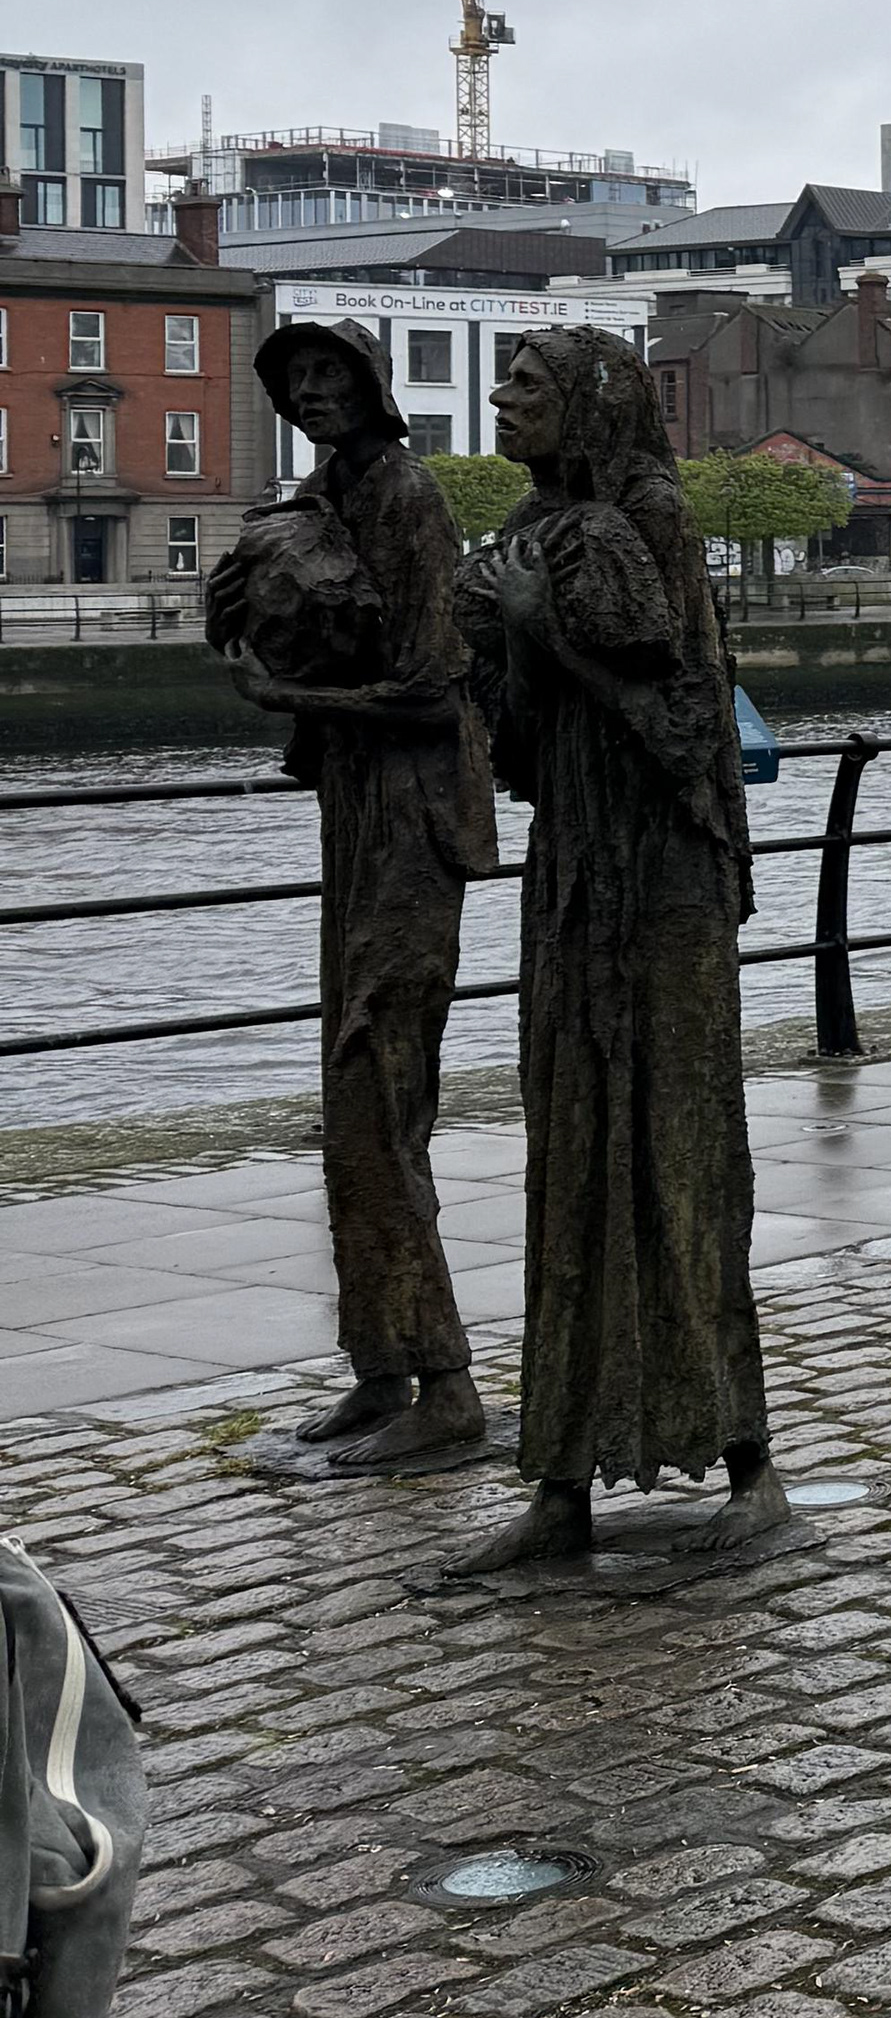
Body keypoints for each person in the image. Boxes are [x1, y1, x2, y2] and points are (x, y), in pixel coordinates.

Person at [440, 327, 787, 1577]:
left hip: (668, 888)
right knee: (572, 1161)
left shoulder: (653, 517)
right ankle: (563, 1480)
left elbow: (689, 717)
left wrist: (556, 628)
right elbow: (530, 745)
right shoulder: (540, 524)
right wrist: (499, 650)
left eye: (525, 385)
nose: (501, 401)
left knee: (681, 1162)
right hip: (576, 876)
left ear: (588, 399)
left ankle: (749, 1460)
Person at [203, 321, 498, 1468]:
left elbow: (432, 689)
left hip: (415, 813)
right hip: (355, 804)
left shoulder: (410, 492)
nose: (312, 393)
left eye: (331, 374)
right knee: (348, 1100)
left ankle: (450, 1387)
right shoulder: (319, 491)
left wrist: (292, 702)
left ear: (373, 383)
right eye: (295, 379)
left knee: (380, 1087)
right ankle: (381, 1366)